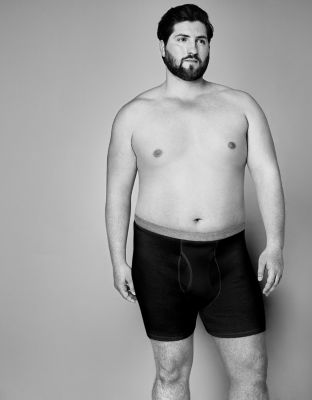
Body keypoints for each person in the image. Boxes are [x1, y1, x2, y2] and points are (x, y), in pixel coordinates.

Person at [105, 4, 285, 400]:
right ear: (162, 46)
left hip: (229, 255)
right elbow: (117, 191)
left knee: (252, 373)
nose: (192, 49)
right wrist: (118, 259)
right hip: (158, 256)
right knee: (171, 373)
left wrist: (275, 244)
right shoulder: (134, 115)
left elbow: (268, 174)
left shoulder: (241, 105)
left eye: (201, 40)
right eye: (182, 39)